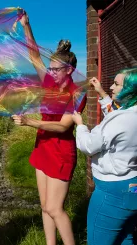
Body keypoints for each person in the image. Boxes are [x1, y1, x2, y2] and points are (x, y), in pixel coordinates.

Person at [12, 13, 86, 245]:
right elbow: (34, 55)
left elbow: (63, 127)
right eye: (51, 68)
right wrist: (27, 26)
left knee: (55, 209)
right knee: (45, 206)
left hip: (61, 152)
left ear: (69, 70)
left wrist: (29, 122)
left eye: (55, 69)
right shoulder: (49, 83)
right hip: (42, 147)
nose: (51, 72)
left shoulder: (77, 93)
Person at [72, 68, 137, 245]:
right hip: (132, 188)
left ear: (131, 89)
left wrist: (80, 126)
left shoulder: (121, 119)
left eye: (117, 84)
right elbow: (117, 120)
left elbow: (88, 146)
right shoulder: (130, 115)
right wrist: (101, 92)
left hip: (112, 193)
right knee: (126, 238)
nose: (111, 87)